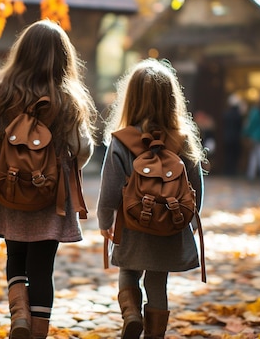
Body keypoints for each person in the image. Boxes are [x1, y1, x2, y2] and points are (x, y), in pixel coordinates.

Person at [0, 19, 97, 339]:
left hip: (9, 191)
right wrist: (61, 163)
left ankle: (19, 316)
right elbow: (83, 149)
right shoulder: (66, 99)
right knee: (42, 270)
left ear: (20, 54)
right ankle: (36, 332)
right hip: (50, 198)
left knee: (16, 259)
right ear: (63, 59)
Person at [97, 58, 206, 339]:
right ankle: (154, 335)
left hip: (132, 226)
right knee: (158, 284)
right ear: (172, 99)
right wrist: (190, 222)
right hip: (169, 226)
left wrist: (105, 221)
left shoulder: (121, 141)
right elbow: (196, 187)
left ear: (130, 98)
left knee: (129, 272)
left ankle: (131, 315)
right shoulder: (182, 140)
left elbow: (109, 190)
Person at [222, 92, 245, 176]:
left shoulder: (227, 114)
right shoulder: (238, 115)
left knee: (228, 155)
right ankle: (233, 171)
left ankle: (228, 170)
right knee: (234, 155)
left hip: (227, 137)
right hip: (235, 137)